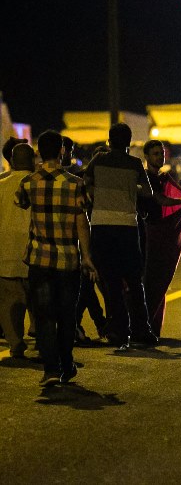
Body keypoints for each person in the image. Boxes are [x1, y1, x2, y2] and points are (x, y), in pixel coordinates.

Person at [84, 123, 181, 351]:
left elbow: (86, 184)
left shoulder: (98, 160)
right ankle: (143, 329)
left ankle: (120, 331)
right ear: (129, 143)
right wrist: (129, 189)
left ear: (110, 141)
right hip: (127, 226)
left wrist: (100, 195)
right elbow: (149, 192)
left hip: (102, 227)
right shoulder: (134, 164)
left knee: (111, 282)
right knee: (133, 280)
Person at [15, 131, 98, 385]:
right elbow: (81, 221)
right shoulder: (75, 183)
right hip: (67, 260)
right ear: (62, 151)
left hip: (39, 259)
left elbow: (20, 203)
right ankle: (66, 363)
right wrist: (87, 257)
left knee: (43, 315)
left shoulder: (29, 182)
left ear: (39, 151)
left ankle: (50, 369)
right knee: (66, 315)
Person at [139, 140, 181, 337]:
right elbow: (159, 200)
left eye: (161, 153)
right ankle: (143, 325)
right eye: (155, 154)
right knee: (150, 280)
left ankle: (150, 326)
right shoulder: (144, 179)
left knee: (160, 279)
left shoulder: (163, 178)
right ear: (146, 156)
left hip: (159, 233)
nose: (159, 157)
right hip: (148, 233)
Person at [61, 137, 106, 345]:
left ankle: (88, 324)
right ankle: (91, 325)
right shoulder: (77, 181)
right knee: (85, 286)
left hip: (89, 240)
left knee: (86, 285)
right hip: (76, 241)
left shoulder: (93, 184)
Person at [0, 143, 35, 359]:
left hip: (5, 250)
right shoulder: (38, 184)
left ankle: (15, 342)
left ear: (11, 161)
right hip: (33, 251)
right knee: (36, 299)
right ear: (32, 161)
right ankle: (40, 337)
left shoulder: (1, 185)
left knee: (7, 303)